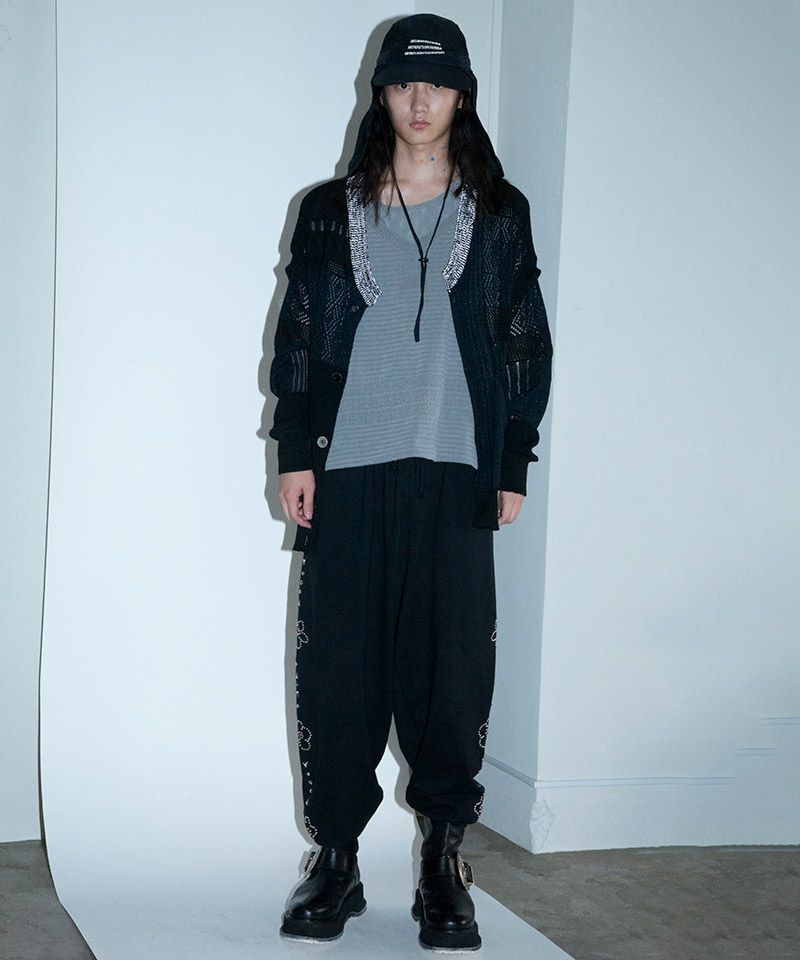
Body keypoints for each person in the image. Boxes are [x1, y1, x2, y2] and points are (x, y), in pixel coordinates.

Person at [268, 13, 553, 952]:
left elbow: (524, 339)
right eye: (402, 83)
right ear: (381, 94)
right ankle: (337, 857)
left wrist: (510, 458)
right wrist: (296, 450)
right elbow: (300, 333)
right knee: (338, 667)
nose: (419, 101)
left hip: (455, 471)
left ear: (462, 96)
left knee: (452, 669)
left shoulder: (498, 211)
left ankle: (442, 857)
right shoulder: (329, 208)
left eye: (437, 84)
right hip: (347, 470)